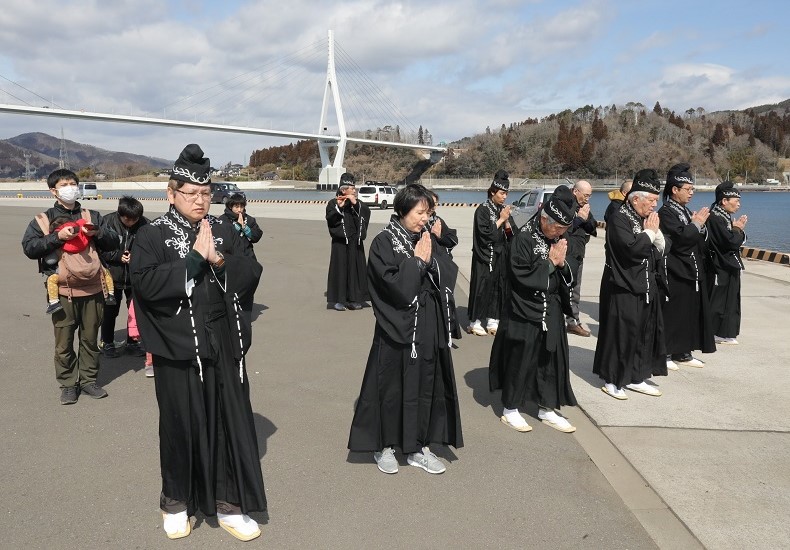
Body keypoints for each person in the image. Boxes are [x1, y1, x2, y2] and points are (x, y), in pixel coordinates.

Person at [130, 144, 266, 541]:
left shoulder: (225, 229)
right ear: (171, 194)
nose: (200, 200)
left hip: (222, 339)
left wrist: (220, 260)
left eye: (206, 193)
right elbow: (146, 284)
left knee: (229, 420)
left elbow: (252, 273)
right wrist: (192, 261)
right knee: (179, 425)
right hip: (178, 346)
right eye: (190, 193)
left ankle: (229, 503)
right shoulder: (151, 235)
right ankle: (177, 501)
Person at [348, 184, 463, 475]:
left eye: (429, 213)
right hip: (396, 325)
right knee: (391, 386)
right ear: (402, 210)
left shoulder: (426, 237)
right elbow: (388, 283)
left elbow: (447, 271)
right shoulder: (384, 242)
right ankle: (384, 445)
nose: (425, 218)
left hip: (427, 324)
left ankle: (417, 446)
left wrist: (428, 260)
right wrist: (417, 263)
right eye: (420, 212)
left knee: (425, 384)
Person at [22, 168, 119, 405]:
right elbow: (29, 248)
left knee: (90, 338)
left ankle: (88, 381)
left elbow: (113, 242)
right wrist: (58, 238)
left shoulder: (91, 214)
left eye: (73, 183)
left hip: (93, 288)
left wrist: (98, 232)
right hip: (62, 290)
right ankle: (67, 384)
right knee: (64, 342)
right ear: (53, 191)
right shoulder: (42, 220)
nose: (70, 188)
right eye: (64, 184)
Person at [489, 185, 579, 433]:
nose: (560, 233)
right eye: (558, 228)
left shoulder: (560, 238)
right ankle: (511, 408)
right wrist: (550, 265)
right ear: (544, 218)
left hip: (551, 308)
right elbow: (519, 275)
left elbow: (568, 271)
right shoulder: (523, 238)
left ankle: (547, 407)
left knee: (550, 359)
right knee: (521, 359)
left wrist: (560, 265)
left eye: (564, 229)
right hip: (524, 307)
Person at [593, 170, 668, 399]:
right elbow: (631, 250)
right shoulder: (619, 218)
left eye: (656, 201)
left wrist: (657, 236)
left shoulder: (642, 217)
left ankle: (637, 376)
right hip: (623, 286)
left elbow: (660, 248)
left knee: (643, 334)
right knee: (622, 334)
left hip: (646, 285)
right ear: (636, 199)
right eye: (652, 201)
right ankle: (613, 379)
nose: (654, 206)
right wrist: (650, 233)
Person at [658, 163, 716, 369]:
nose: (691, 193)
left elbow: (698, 238)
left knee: (689, 312)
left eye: (693, 189)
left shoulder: (684, 210)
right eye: (688, 189)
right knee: (673, 313)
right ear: (675, 190)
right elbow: (682, 240)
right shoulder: (666, 213)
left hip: (691, 268)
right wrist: (696, 225)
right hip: (675, 269)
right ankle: (665, 352)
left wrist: (698, 226)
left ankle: (683, 351)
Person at [467, 169, 517, 336]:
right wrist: (501, 219)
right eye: (502, 193)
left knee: (498, 287)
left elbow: (511, 235)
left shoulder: (503, 209)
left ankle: (492, 319)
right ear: (493, 192)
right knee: (481, 288)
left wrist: (508, 223)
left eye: (506, 193)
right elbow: (485, 235)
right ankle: (475, 321)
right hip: (484, 255)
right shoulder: (482, 210)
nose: (504, 197)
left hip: (500, 255)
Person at [99, 196, 148, 358]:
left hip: (135, 278)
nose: (132, 222)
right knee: (110, 312)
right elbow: (98, 251)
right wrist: (117, 255)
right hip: (111, 276)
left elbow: (151, 250)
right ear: (120, 215)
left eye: (136, 219)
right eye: (128, 219)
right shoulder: (106, 223)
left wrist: (138, 257)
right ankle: (107, 342)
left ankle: (132, 342)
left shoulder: (145, 224)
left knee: (135, 312)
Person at [43, 216, 116, 315]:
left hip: (67, 276)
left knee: (52, 279)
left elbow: (50, 260)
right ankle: (111, 294)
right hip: (91, 271)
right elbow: (113, 242)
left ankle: (53, 302)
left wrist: (56, 237)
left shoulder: (62, 238)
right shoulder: (84, 233)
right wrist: (94, 230)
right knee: (106, 272)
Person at [707, 181, 748, 345]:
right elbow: (730, 242)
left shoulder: (723, 217)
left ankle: (725, 332)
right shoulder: (716, 218)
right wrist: (737, 230)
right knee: (718, 301)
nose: (738, 204)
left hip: (728, 264)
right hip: (719, 265)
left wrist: (737, 230)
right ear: (724, 201)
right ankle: (714, 331)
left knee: (730, 300)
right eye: (735, 200)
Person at [325, 172, 371, 311]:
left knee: (356, 270)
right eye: (352, 189)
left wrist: (355, 203)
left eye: (354, 188)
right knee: (341, 270)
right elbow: (331, 220)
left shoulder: (357, 203)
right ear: (343, 190)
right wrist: (339, 207)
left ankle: (355, 299)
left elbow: (366, 213)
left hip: (355, 242)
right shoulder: (333, 203)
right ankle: (339, 300)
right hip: (340, 243)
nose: (354, 191)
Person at [427, 191, 462, 340]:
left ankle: (446, 333)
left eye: (435, 203)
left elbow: (452, 239)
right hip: (428, 268)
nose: (434, 206)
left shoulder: (438, 220)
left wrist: (439, 235)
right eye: (431, 202)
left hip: (442, 266)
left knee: (446, 300)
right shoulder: (419, 222)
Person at [564, 180, 597, 337]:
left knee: (575, 290)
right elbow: (563, 229)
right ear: (575, 191)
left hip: (578, 253)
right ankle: (569, 321)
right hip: (564, 254)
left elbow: (592, 227)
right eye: (586, 195)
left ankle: (573, 321)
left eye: (590, 196)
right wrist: (578, 219)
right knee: (566, 290)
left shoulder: (584, 208)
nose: (587, 199)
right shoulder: (564, 205)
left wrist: (585, 219)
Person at [221, 192, 263, 312]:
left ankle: (245, 311)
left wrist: (245, 228)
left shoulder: (249, 219)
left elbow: (257, 236)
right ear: (230, 207)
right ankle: (231, 312)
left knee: (249, 285)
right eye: (236, 207)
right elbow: (221, 239)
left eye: (241, 206)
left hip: (247, 258)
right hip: (230, 260)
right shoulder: (223, 220)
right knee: (231, 288)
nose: (239, 210)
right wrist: (235, 228)